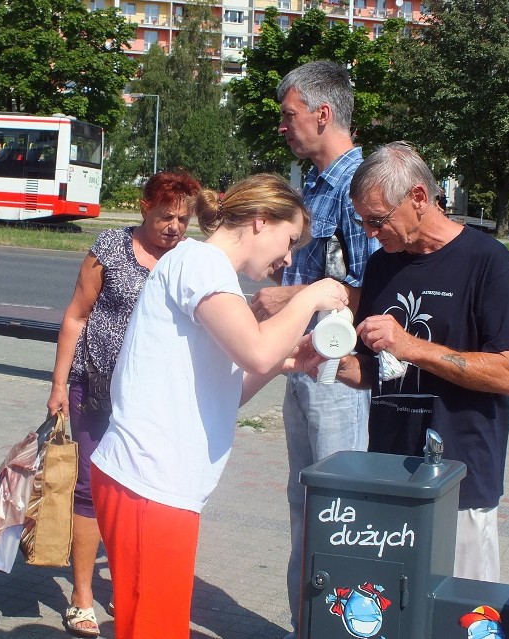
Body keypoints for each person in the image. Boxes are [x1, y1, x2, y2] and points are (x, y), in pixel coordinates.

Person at [89, 174, 349, 639]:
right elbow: (255, 350)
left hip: (153, 484)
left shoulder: (203, 268)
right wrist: (310, 295)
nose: (287, 258)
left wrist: (287, 360)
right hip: (150, 482)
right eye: (289, 241)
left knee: (151, 626)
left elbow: (235, 385)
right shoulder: (203, 264)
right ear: (260, 221)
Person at [316, 141, 509, 582]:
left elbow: (507, 373)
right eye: (363, 221)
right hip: (389, 469)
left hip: (461, 476)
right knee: (389, 607)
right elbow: (374, 370)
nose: (370, 232)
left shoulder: (486, 261)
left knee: (462, 613)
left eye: (377, 220)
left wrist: (410, 345)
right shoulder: (383, 265)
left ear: (418, 198)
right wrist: (328, 364)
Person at [249, 60, 379, 636]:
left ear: (323, 115)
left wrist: (290, 299)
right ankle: (310, 626)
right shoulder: (317, 187)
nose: (283, 126)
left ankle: (337, 626)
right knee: (306, 508)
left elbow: (375, 292)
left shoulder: (360, 189)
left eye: (290, 115)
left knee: (337, 512)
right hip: (306, 370)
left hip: (338, 377)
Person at [47, 170, 202, 638]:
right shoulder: (111, 248)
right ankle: (81, 597)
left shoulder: (189, 259)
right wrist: (57, 384)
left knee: (142, 492)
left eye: (182, 219)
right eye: (164, 216)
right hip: (95, 386)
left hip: (156, 398)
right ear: (143, 208)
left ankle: (131, 583)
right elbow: (76, 316)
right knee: (92, 490)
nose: (173, 227)